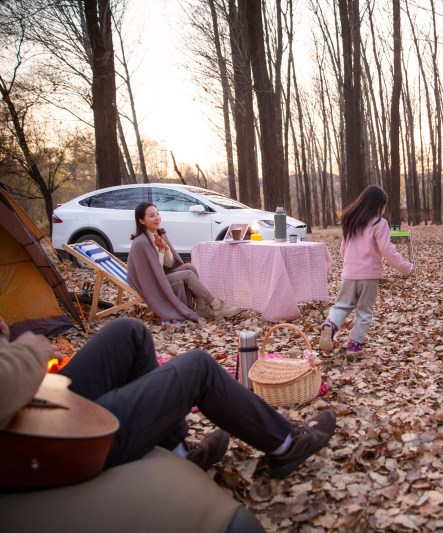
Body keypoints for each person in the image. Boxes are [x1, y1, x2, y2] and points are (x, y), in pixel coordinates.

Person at [0, 315, 336, 477]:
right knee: (198, 367)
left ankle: (175, 449)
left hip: (31, 402)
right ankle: (284, 445)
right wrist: (25, 355)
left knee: (128, 331)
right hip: (29, 439)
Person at [319, 185, 412, 354]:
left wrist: (351, 265)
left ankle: (331, 324)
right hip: (369, 275)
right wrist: (405, 267)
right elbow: (387, 250)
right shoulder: (379, 223)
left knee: (341, 305)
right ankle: (354, 344)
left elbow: (343, 249)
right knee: (364, 310)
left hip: (349, 273)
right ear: (378, 205)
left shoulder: (351, 221)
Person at [127, 202, 240, 323]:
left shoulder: (158, 234)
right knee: (188, 275)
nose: (157, 218)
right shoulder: (141, 242)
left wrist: (165, 249)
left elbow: (169, 264)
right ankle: (216, 305)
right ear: (142, 221)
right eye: (151, 215)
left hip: (162, 275)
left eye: (158, 214)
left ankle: (201, 307)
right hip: (154, 282)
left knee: (189, 267)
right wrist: (160, 250)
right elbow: (155, 272)